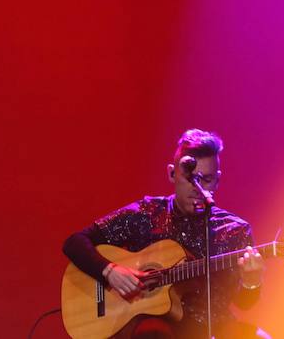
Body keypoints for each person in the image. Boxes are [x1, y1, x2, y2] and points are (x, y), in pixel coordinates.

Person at [62, 129, 269, 339]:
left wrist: (253, 281)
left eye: (205, 180)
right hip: (157, 328)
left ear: (217, 180)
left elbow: (244, 303)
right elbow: (75, 243)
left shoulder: (235, 229)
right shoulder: (146, 213)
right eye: (190, 178)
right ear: (172, 173)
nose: (197, 189)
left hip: (216, 327)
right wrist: (110, 271)